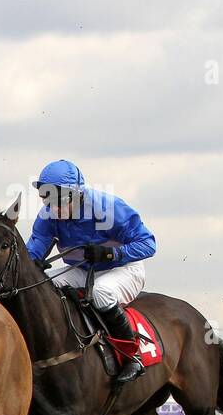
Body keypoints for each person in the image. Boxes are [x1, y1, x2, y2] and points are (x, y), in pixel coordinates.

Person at [27, 159, 156, 383]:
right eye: (48, 200)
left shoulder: (109, 208)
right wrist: (32, 264)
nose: (53, 209)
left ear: (77, 194)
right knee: (40, 284)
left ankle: (132, 355)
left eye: (59, 201)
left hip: (124, 269)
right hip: (83, 271)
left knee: (101, 293)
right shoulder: (48, 215)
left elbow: (149, 244)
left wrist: (111, 254)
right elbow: (36, 247)